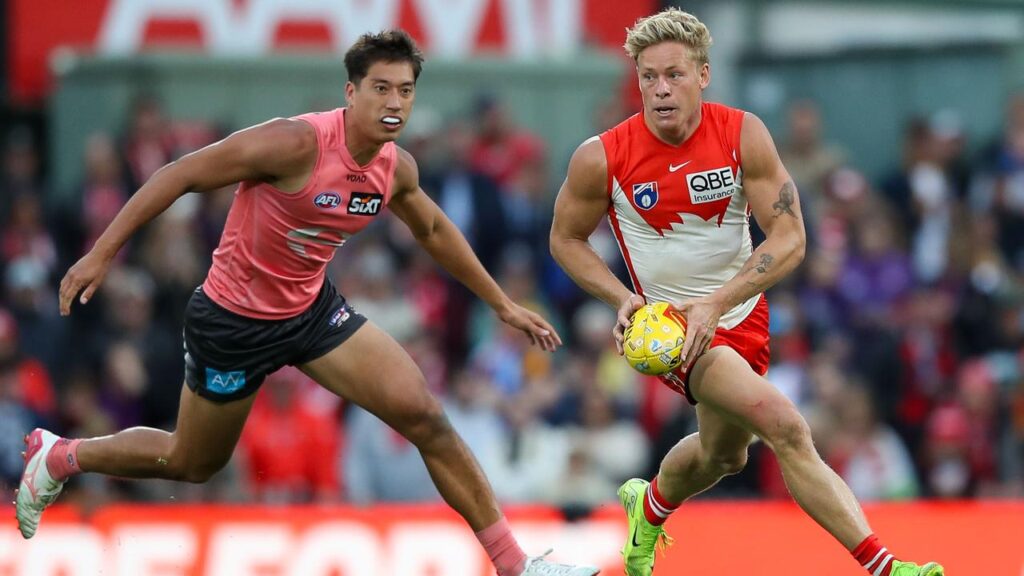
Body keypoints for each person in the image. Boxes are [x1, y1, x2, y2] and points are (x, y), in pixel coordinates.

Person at [16, 30, 597, 576]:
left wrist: (500, 304)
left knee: (426, 416)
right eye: (381, 88)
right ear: (351, 92)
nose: (394, 102)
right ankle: (63, 456)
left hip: (312, 314)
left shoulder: (395, 167)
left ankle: (516, 565)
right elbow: (180, 173)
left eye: (406, 90)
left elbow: (435, 233)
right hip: (233, 323)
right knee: (192, 463)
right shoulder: (294, 143)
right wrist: (101, 253)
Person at [549, 9, 943, 576]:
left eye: (674, 75)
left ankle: (650, 503)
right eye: (648, 77)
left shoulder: (740, 133)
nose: (660, 90)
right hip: (672, 329)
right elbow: (564, 239)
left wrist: (718, 301)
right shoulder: (603, 156)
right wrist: (620, 298)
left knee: (724, 456)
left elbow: (791, 239)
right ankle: (884, 565)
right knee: (785, 425)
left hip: (740, 314)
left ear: (704, 75)